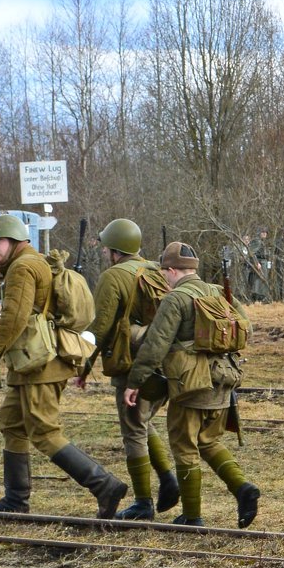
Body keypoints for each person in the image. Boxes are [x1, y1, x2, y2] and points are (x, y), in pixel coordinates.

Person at [0, 213, 128, 518]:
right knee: (12, 423)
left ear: (17, 241)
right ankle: (17, 499)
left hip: (41, 363)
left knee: (44, 431)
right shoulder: (26, 264)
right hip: (28, 361)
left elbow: (14, 317)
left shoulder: (23, 267)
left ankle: (105, 485)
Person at [124, 242, 259, 528]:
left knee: (184, 446)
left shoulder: (176, 299)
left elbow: (155, 345)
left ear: (172, 270)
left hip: (190, 384)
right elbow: (245, 326)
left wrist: (135, 382)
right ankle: (243, 488)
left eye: (164, 273)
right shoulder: (217, 292)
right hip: (224, 379)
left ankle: (192, 516)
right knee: (209, 441)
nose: (164, 279)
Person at [73, 218, 179, 521]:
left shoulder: (112, 277)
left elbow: (101, 328)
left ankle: (143, 503)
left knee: (133, 432)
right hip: (161, 360)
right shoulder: (154, 270)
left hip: (131, 363)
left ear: (113, 250)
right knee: (142, 422)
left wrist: (83, 365)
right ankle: (167, 478)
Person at [247, 229, 272, 303]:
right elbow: (252, 253)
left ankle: (261, 298)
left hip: (264, 262)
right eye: (263, 232)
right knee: (258, 282)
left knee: (262, 281)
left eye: (265, 232)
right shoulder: (257, 241)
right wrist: (256, 263)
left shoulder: (263, 242)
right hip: (260, 263)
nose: (264, 234)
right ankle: (257, 298)